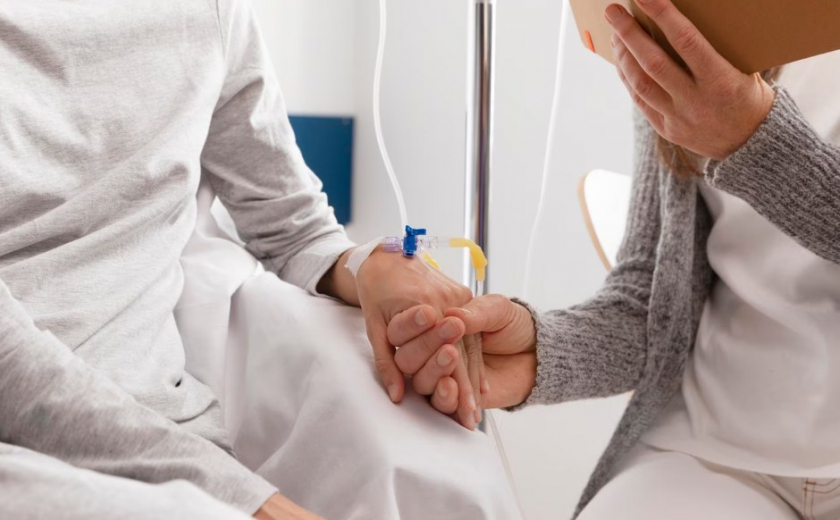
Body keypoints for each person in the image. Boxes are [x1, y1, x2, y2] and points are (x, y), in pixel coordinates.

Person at [0, 1, 483, 518]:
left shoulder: (211, 13)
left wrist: (370, 265)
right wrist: (245, 499)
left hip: (174, 444)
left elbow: (290, 223)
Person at [391, 0, 840, 518]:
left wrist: (753, 141)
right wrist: (537, 353)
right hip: (715, 446)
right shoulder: (700, 25)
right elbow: (651, 304)